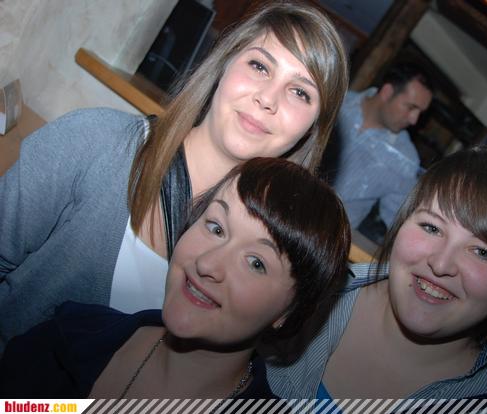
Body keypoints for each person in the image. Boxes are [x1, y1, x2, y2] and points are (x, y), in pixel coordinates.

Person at [0, 1, 349, 350]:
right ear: (225, 63)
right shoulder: (95, 142)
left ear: (311, 129)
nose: (267, 98)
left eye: (300, 92)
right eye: (259, 66)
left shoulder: (271, 264)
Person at [0, 157, 351, 398]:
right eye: (215, 227)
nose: (208, 264)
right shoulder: (69, 336)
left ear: (289, 311)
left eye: (256, 263)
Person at [267, 146, 487, 399]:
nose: (441, 265)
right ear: (400, 223)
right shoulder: (301, 294)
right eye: (431, 228)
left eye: (482, 252)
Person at [322, 60, 433, 236]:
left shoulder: (405, 159)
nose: (414, 120)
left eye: (420, 112)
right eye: (411, 107)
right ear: (387, 92)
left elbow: (398, 224)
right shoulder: (334, 103)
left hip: (326, 240)